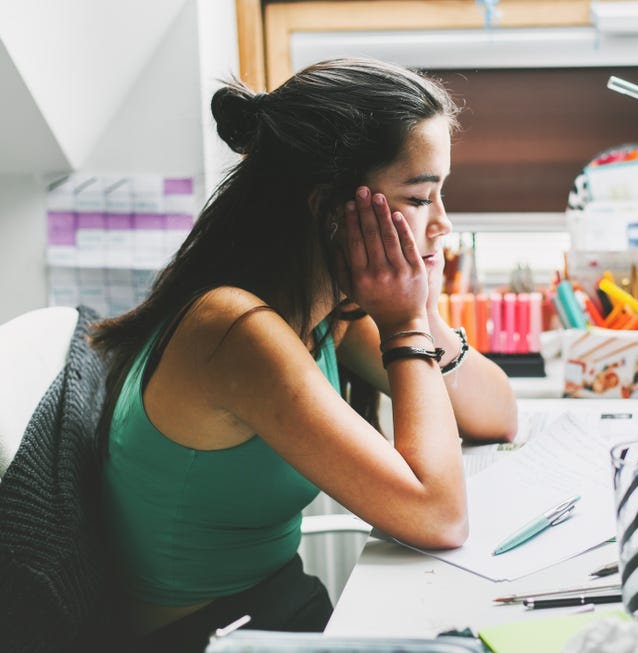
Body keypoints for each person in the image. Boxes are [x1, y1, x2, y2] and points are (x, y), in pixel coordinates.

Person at [90, 57, 518, 651]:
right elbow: (440, 517)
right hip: (207, 638)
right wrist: (404, 322)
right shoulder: (235, 330)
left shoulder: (322, 313)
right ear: (329, 210)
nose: (442, 224)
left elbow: (497, 414)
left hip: (273, 606)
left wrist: (425, 316)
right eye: (420, 198)